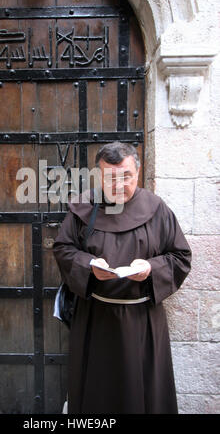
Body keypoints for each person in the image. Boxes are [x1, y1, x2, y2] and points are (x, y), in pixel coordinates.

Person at [53, 142, 192, 414]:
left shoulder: (156, 209)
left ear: (137, 173)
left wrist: (151, 268)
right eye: (109, 177)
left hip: (142, 321)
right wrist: (89, 264)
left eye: (125, 176)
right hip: (95, 318)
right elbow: (63, 249)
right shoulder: (84, 207)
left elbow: (181, 256)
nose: (117, 184)